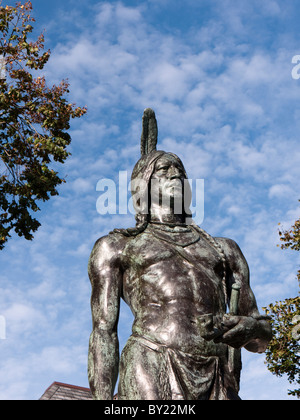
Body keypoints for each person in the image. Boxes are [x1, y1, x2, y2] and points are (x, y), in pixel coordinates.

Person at [88, 109, 272, 400]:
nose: (175, 174)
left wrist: (247, 327)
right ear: (143, 184)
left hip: (216, 371)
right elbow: (103, 330)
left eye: (180, 170)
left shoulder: (223, 248)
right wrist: (101, 400)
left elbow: (261, 335)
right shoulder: (118, 246)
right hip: (151, 360)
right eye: (164, 169)